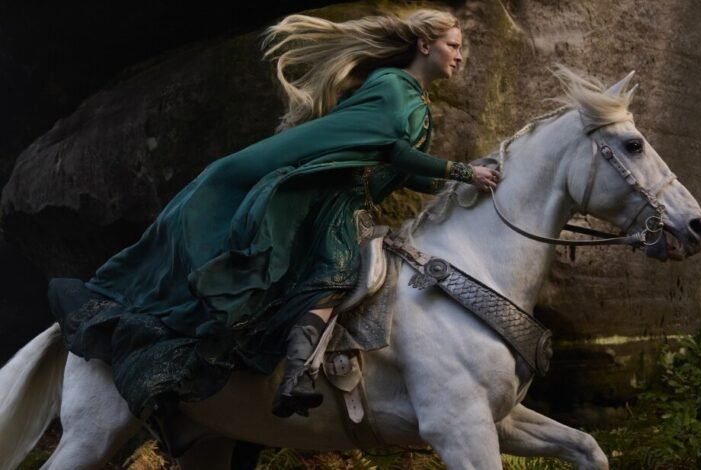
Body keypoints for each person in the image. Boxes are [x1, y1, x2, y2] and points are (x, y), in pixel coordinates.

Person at [49, 8, 499, 421]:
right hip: (331, 200)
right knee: (338, 271)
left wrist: (462, 182)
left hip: (356, 202)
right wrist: (462, 171)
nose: (460, 56)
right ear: (425, 44)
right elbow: (394, 150)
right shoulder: (393, 85)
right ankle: (297, 375)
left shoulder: (418, 105)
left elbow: (404, 172)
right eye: (453, 46)